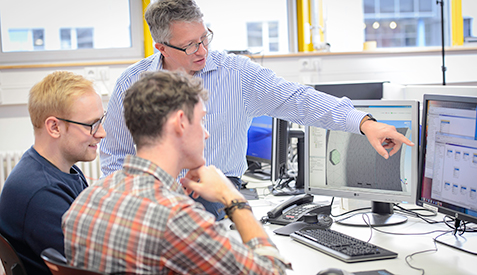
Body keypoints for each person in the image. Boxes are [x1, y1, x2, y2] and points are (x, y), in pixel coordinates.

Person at [100, 0, 414, 220]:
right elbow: (114, 154)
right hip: (151, 191)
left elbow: (299, 99)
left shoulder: (236, 73)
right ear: (161, 48)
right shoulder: (132, 83)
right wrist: (138, 197)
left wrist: (363, 122)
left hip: (216, 191)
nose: (203, 51)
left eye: (204, 38)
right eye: (191, 45)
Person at [62, 71, 291, 274]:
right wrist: (233, 198)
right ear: (180, 123)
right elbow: (272, 271)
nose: (206, 134)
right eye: (201, 121)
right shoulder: (175, 218)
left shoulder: (89, 198)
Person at [0, 71, 106, 275]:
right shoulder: (41, 193)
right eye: (91, 125)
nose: (102, 133)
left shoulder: (61, 171)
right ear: (54, 127)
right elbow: (94, 266)